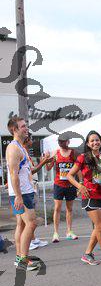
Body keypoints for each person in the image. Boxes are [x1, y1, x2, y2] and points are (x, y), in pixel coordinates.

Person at [67, 130, 101, 265]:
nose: (95, 142)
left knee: (99, 227)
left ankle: (87, 254)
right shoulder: (83, 157)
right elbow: (69, 175)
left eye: (97, 140)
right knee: (100, 226)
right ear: (88, 144)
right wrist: (80, 186)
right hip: (90, 195)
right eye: (92, 141)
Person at [5, 116, 40, 271]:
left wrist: (44, 162)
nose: (26, 128)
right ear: (15, 129)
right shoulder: (13, 148)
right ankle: (23, 260)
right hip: (21, 194)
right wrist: (18, 196)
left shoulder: (20, 147)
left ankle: (20, 257)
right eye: (23, 126)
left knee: (22, 224)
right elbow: (13, 175)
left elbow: (27, 171)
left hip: (26, 191)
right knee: (31, 223)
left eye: (26, 125)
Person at [46, 138, 78, 243]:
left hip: (70, 185)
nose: (61, 143)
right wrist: (46, 159)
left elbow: (78, 168)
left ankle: (69, 231)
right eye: (59, 141)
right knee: (57, 208)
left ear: (68, 142)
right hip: (59, 184)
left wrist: (80, 182)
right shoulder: (56, 153)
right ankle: (55, 233)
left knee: (69, 208)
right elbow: (48, 168)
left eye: (63, 141)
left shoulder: (73, 153)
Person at [23, 134, 51, 251]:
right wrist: (44, 161)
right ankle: (27, 242)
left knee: (28, 219)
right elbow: (31, 171)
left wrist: (44, 161)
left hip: (32, 186)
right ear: (26, 140)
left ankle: (32, 239)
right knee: (27, 220)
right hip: (26, 189)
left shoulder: (26, 152)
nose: (32, 141)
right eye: (31, 139)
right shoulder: (21, 152)